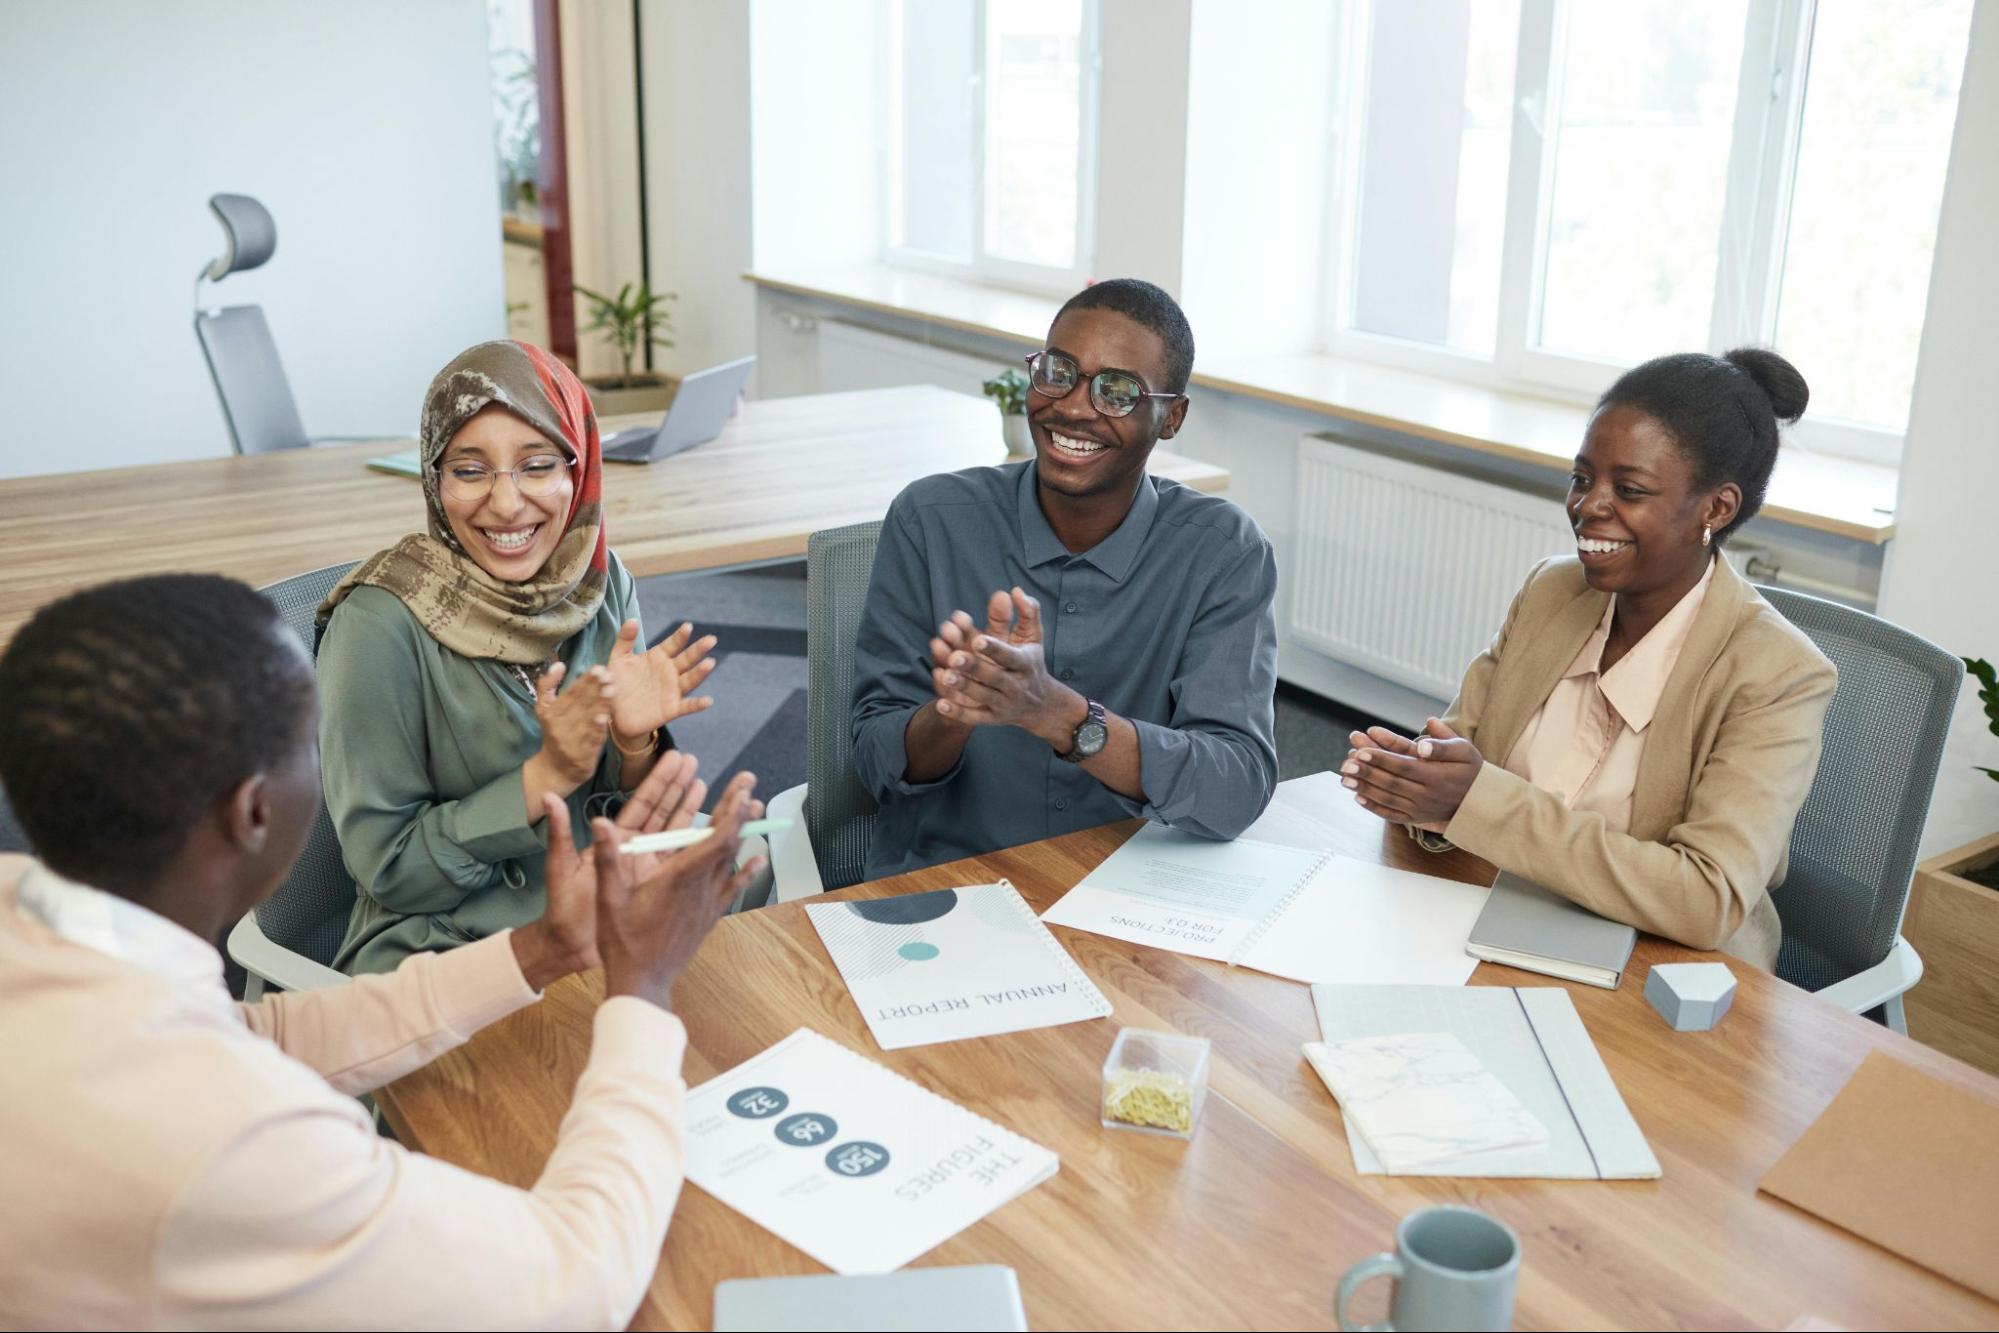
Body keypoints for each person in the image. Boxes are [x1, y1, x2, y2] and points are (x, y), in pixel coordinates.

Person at [0, 573, 764, 1330]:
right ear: (254, 809)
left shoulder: (31, 911)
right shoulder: (240, 1146)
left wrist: (542, 948)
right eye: (313, 742)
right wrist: (642, 988)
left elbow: (240, 1035)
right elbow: (575, 1279)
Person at [1343, 349, 1836, 969]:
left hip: (1662, 973)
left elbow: (1707, 899)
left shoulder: (1779, 674)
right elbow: (1461, 749)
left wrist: (1476, 801)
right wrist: (1414, 785)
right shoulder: (1551, 590)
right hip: (1489, 920)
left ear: (1716, 508)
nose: (1588, 507)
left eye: (1628, 489)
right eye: (1582, 478)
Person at [317, 339, 723, 974]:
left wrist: (634, 745)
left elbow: (623, 816)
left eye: (537, 466)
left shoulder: (598, 579)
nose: (506, 504)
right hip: (447, 949)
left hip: (602, 907)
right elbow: (389, 869)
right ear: (433, 478)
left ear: (578, 469)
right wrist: (546, 776)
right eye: (470, 470)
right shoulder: (378, 624)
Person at [851, 278, 1279, 878]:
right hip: (952, 883)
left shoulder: (1223, 552)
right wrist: (951, 712)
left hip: (1133, 892)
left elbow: (1234, 790)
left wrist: (1062, 717)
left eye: (1118, 391)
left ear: (1172, 417)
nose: (1074, 406)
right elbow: (873, 766)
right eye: (1058, 371)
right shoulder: (931, 519)